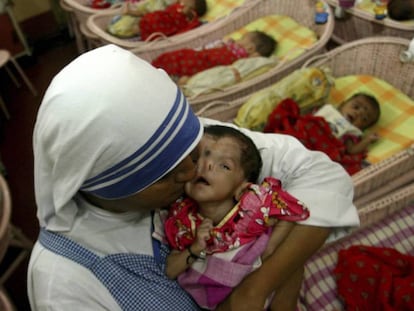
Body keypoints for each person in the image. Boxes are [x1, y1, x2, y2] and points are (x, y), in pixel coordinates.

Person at [27, 44, 359, 311]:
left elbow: (324, 175)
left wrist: (258, 289)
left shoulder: (195, 141)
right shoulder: (67, 287)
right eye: (166, 174)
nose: (192, 170)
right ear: (114, 190)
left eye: (193, 152)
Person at [160, 125, 310, 310]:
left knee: (294, 265)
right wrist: (195, 249)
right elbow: (170, 270)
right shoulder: (181, 221)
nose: (206, 165)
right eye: (197, 158)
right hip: (222, 302)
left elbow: (292, 214)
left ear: (242, 188)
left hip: (266, 288)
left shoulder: (256, 205)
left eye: (224, 165)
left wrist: (270, 250)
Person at [264, 93, 381, 175]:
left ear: (362, 128)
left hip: (319, 149)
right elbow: (305, 119)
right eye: (356, 107)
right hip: (302, 134)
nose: (358, 114)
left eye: (364, 119)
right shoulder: (327, 111)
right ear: (342, 104)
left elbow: (351, 150)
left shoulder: (350, 132)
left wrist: (367, 140)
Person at [151, 31, 276, 82]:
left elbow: (255, 60)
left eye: (243, 38)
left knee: (194, 67)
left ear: (250, 48)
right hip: (203, 55)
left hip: (214, 62)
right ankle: (164, 71)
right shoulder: (231, 44)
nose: (239, 39)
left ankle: (171, 76)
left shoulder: (244, 57)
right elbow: (215, 47)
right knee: (185, 56)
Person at [108, 0, 206, 40]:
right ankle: (130, 14)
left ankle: (130, 31)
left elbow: (184, 20)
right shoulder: (180, 4)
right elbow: (169, 9)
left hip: (163, 23)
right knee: (146, 15)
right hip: (160, 16)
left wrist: (185, 11)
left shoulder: (189, 12)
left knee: (144, 23)